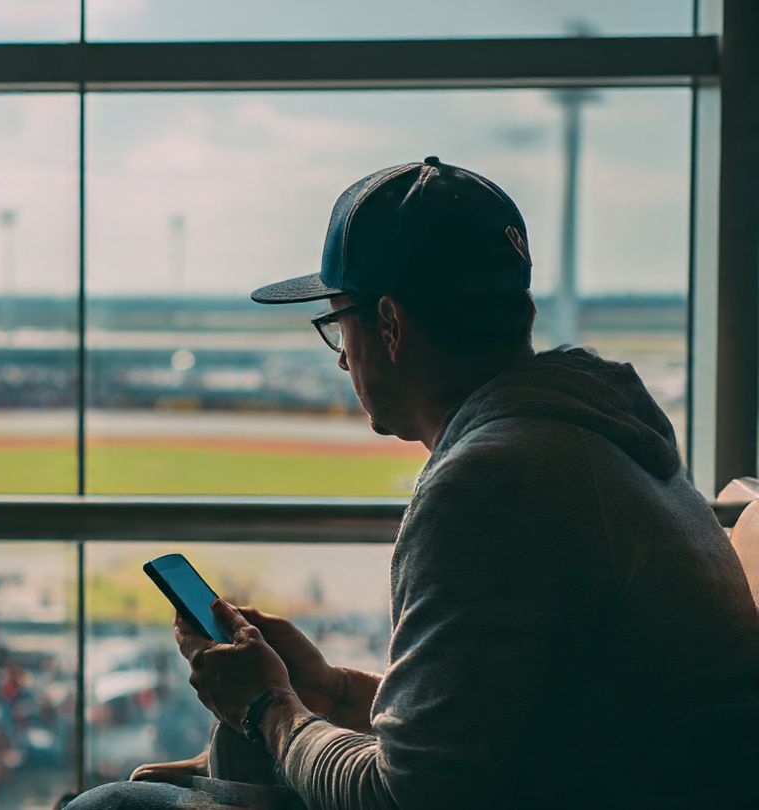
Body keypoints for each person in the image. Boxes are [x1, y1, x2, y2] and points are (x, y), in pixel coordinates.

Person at [64, 157, 759, 809]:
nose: (342, 363)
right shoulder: (600, 438)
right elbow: (495, 737)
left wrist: (266, 708)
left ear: (390, 324)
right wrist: (331, 693)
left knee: (108, 804)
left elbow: (405, 797)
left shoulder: (494, 486)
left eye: (338, 326)